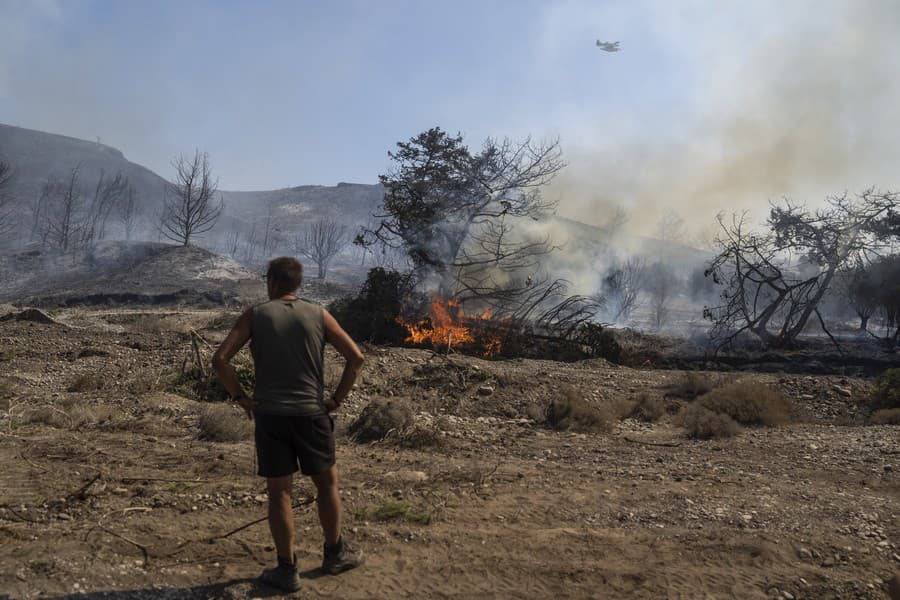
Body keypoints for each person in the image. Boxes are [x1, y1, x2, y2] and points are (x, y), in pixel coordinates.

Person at [212, 256, 365, 592]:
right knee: (327, 486)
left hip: (270, 416)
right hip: (312, 414)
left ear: (272, 282)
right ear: (298, 284)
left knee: (279, 493)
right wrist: (336, 399)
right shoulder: (319, 314)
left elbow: (220, 359)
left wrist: (241, 397)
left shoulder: (256, 315)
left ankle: (286, 569)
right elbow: (357, 358)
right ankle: (334, 554)